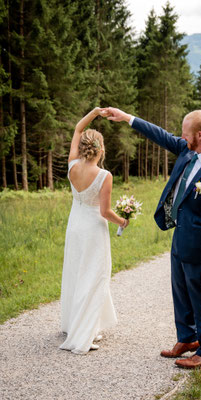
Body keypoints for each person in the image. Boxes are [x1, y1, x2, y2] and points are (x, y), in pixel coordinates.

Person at [102, 107, 201, 368]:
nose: (181, 137)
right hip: (180, 235)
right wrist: (128, 118)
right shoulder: (189, 149)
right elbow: (161, 135)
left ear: (199, 134)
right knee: (180, 290)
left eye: (185, 133)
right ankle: (188, 338)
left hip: (200, 245)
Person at [60, 107, 129, 355]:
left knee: (76, 273)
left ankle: (74, 324)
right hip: (92, 230)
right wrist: (122, 220)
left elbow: (78, 128)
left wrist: (93, 113)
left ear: (82, 148)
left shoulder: (72, 166)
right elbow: (105, 212)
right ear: (100, 150)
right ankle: (83, 334)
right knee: (94, 277)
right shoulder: (104, 175)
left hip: (74, 226)